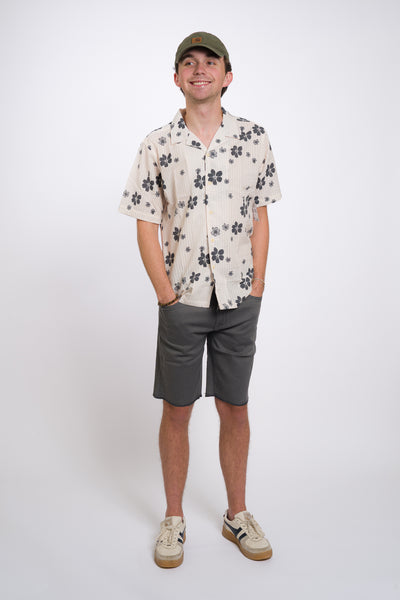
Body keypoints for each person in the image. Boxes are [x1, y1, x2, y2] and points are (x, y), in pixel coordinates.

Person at [119, 31, 282, 568]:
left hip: (239, 299)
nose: (199, 69)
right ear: (177, 78)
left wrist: (258, 284)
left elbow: (260, 215)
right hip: (182, 301)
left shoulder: (254, 138)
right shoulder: (157, 144)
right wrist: (166, 296)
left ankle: (238, 514)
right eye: (188, 62)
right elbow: (145, 223)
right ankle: (174, 518)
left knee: (235, 407)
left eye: (210, 62)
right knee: (177, 410)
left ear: (227, 75)